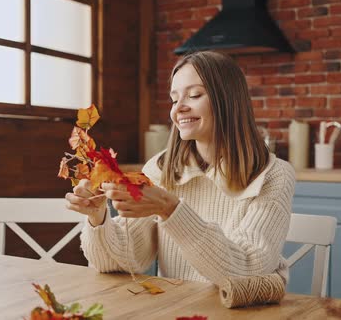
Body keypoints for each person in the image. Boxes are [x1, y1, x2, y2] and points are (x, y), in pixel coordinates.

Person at [65, 51, 296, 286]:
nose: (179, 108)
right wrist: (98, 218)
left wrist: (171, 210)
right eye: (174, 99)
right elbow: (121, 261)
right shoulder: (159, 169)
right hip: (179, 308)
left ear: (228, 100)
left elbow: (248, 272)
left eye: (194, 95)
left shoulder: (274, 175)